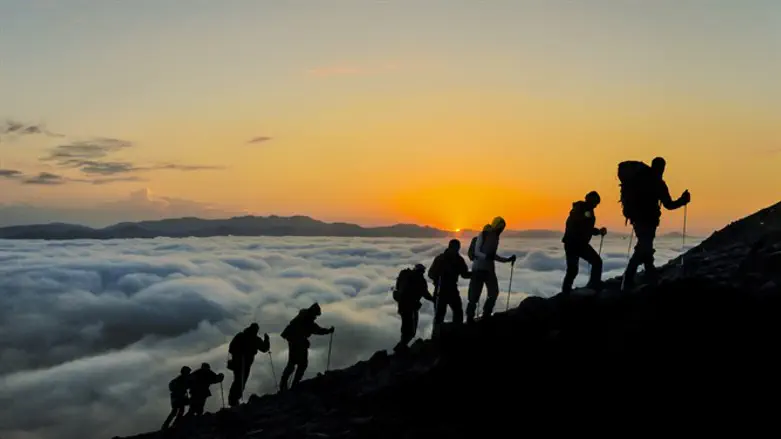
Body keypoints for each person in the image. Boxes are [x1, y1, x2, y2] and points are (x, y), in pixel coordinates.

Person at [619, 156, 690, 291]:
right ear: (662, 168)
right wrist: (682, 200)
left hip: (638, 220)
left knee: (645, 247)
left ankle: (650, 276)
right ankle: (628, 280)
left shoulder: (641, 179)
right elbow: (669, 205)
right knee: (643, 248)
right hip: (648, 221)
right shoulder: (658, 183)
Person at [466, 217, 517, 323]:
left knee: (491, 293)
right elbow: (477, 252)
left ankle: (485, 314)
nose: (501, 230)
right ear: (496, 226)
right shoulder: (483, 234)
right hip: (479, 269)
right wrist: (487, 257)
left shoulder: (495, 238)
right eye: (500, 227)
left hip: (487, 269)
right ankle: (472, 317)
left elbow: (493, 256)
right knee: (475, 296)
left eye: (502, 228)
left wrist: (507, 260)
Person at [279, 303, 334, 391]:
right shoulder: (307, 320)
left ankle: (285, 384)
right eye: (316, 314)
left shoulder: (303, 317)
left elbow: (312, 329)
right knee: (301, 364)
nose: (316, 317)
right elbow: (317, 330)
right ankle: (293, 384)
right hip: (298, 342)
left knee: (293, 363)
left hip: (294, 341)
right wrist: (328, 331)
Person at [561, 191, 608, 294]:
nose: (596, 206)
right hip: (576, 244)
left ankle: (566, 292)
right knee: (595, 262)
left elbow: (586, 227)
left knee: (574, 270)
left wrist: (598, 231)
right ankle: (593, 285)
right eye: (595, 203)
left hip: (574, 243)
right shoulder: (583, 210)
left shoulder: (582, 209)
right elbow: (584, 227)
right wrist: (598, 231)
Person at [428, 239, 471, 328]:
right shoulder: (448, 259)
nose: (457, 249)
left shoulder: (445, 258)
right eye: (456, 247)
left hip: (446, 290)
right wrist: (439, 275)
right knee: (445, 314)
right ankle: (449, 332)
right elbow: (431, 274)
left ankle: (450, 331)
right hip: (444, 290)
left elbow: (464, 274)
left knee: (451, 313)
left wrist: (475, 274)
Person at [392, 263, 435, 352]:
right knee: (411, 330)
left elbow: (399, 288)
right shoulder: (420, 280)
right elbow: (425, 293)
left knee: (406, 327)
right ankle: (401, 347)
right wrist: (433, 299)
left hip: (402, 306)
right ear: (421, 271)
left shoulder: (405, 275)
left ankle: (402, 346)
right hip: (411, 307)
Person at [226, 323, 270, 407]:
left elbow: (231, 348)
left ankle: (233, 400)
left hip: (237, 363)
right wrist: (267, 340)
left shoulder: (240, 336)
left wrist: (238, 353)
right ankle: (234, 400)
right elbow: (264, 348)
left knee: (238, 380)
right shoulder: (255, 339)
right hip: (244, 363)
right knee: (241, 381)